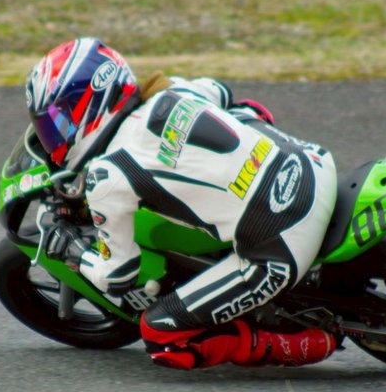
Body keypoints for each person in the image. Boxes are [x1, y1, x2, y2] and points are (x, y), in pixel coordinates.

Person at [25, 36, 340, 369]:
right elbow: (224, 93)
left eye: (57, 121)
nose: (54, 135)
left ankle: (307, 344)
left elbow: (116, 275)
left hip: (281, 240)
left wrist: (72, 251)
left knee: (162, 336)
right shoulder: (173, 90)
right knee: (244, 114)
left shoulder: (108, 174)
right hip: (312, 162)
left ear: (86, 108)